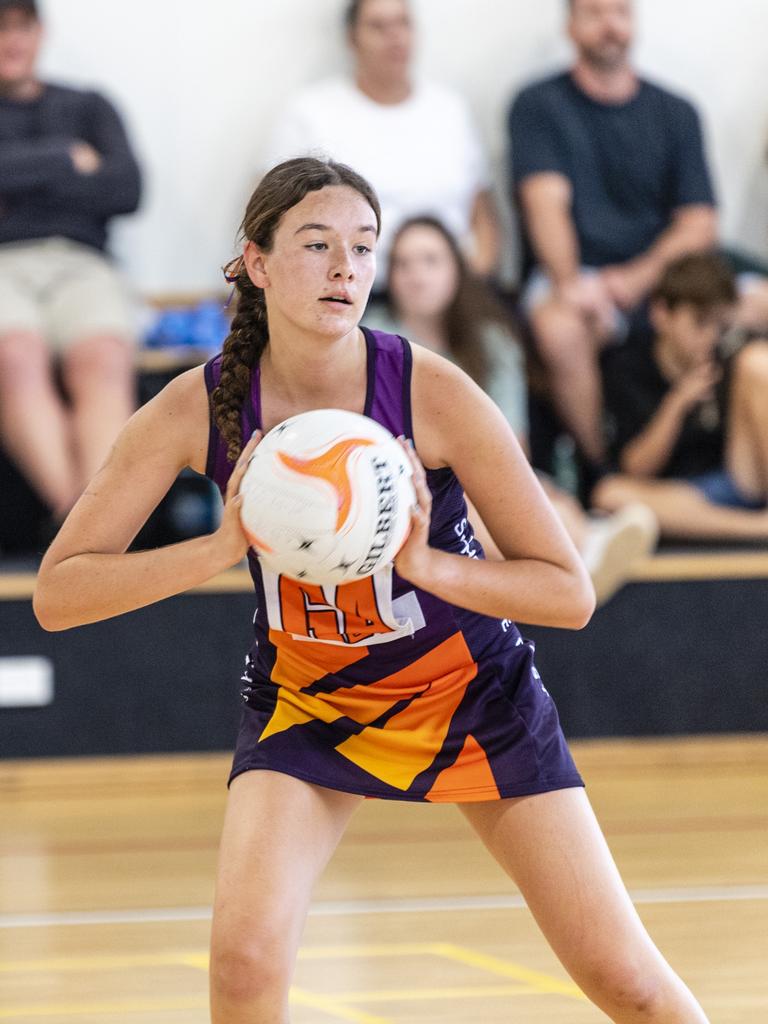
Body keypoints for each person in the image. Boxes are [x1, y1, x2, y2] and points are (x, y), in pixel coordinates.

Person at [34, 158, 709, 1023]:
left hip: (472, 696)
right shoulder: (195, 407)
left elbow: (566, 593)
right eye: (316, 245)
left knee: (628, 982)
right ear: (258, 263)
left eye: (362, 246)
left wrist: (429, 566)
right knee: (243, 962)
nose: (346, 267)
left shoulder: (432, 389)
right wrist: (214, 549)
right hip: (308, 703)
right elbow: (59, 592)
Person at [373, 214, 658, 604]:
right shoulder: (369, 337)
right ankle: (576, 559)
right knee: (469, 499)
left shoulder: (491, 339)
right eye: (402, 263)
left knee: (536, 490)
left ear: (457, 268)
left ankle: (581, 548)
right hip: (399, 480)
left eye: (429, 260)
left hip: (476, 469)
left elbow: (512, 441)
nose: (415, 275)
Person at [508, 0, 719, 469]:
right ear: (571, 25)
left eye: (620, 12)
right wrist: (572, 286)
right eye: (594, 12)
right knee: (560, 328)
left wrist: (631, 282)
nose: (610, 25)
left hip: (659, 274)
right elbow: (545, 207)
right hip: (575, 273)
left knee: (756, 302)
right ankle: (603, 470)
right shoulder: (539, 105)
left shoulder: (677, 111)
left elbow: (699, 223)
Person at [0, 0, 141, 524]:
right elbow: (96, 182)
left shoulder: (89, 106)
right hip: (3, 265)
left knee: (104, 356)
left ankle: (89, 527)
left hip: (83, 265)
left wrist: (16, 184)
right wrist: (66, 160)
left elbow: (126, 189)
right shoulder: (75, 134)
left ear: (39, 33)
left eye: (21, 27)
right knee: (14, 354)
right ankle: (82, 529)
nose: (10, 39)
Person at [262, 0, 499, 287]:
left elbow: (482, 214)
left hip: (454, 292)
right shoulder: (311, 113)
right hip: (353, 290)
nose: (395, 37)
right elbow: (275, 218)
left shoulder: (450, 110)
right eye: (378, 26)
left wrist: (475, 282)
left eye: (403, 23)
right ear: (352, 38)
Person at [594, 253, 768, 540]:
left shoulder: (729, 354)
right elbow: (635, 470)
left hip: (737, 478)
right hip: (683, 496)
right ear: (661, 314)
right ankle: (755, 530)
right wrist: (678, 404)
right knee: (610, 495)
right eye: (700, 323)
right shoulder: (627, 367)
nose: (711, 337)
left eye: (720, 326)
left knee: (758, 362)